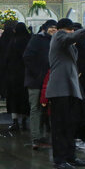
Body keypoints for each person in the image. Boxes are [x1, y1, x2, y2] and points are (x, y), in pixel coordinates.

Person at [45, 19, 85, 169]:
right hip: (59, 90)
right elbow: (71, 37)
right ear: (67, 30)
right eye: (72, 31)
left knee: (70, 125)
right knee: (59, 126)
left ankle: (70, 156)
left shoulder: (68, 45)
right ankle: (59, 159)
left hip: (70, 89)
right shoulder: (58, 36)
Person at [23, 20, 55, 148]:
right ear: (45, 28)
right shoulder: (36, 40)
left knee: (46, 109)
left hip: (49, 81)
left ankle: (44, 136)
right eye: (51, 28)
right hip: (36, 82)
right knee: (36, 108)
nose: (53, 30)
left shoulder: (54, 40)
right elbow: (27, 57)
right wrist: (38, 74)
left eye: (55, 28)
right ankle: (36, 137)